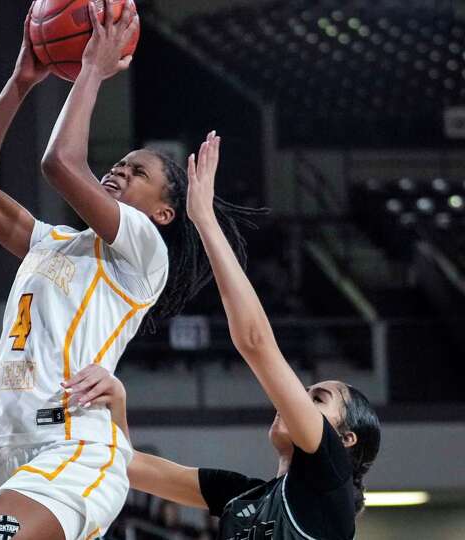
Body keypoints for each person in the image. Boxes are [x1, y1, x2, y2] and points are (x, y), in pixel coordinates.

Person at [0, 3, 256, 539]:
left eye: (137, 172)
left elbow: (61, 163)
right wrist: (21, 81)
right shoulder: (55, 243)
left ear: (163, 212)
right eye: (120, 163)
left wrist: (93, 66)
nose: (119, 170)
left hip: (78, 448)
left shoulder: (144, 250)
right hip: (12, 447)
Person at [64, 135, 381, 540]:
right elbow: (127, 466)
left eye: (316, 397)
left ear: (345, 439)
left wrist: (204, 220)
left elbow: (254, 341)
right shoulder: (241, 496)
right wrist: (119, 404)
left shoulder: (329, 481)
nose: (297, 396)